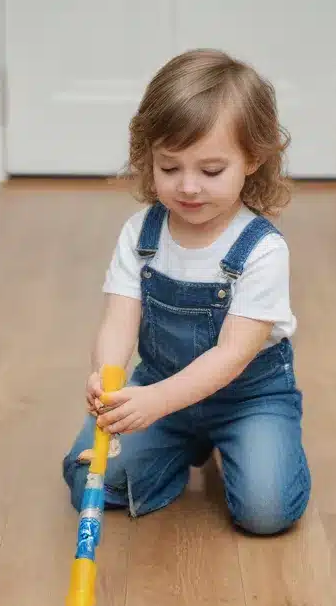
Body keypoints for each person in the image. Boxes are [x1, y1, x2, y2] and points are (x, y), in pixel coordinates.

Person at [61, 48, 311, 535]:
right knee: (91, 477)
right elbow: (119, 320)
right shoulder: (141, 233)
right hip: (158, 383)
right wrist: (107, 378)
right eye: (169, 168)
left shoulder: (261, 249)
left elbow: (232, 356)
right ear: (147, 157)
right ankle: (180, 448)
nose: (188, 187)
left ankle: (243, 446)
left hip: (248, 397)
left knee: (266, 511)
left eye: (211, 170)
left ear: (253, 158)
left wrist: (155, 404)